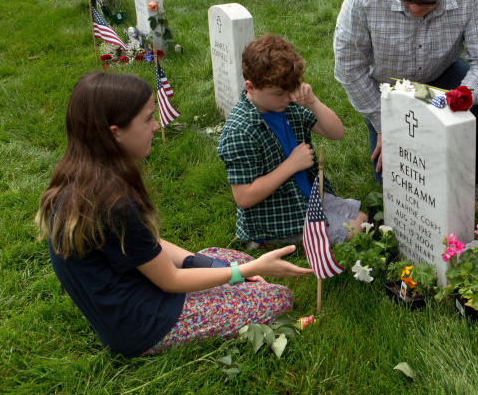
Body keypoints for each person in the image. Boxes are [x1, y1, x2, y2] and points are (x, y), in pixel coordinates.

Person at [36, 72, 311, 358]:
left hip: (136, 296)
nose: (156, 126)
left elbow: (149, 246)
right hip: (146, 324)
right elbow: (170, 280)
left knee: (225, 257)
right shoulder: (112, 202)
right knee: (277, 297)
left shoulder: (82, 177)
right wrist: (245, 272)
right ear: (115, 132)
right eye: (146, 119)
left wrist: (206, 263)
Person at [333, 0, 478, 205]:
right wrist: (384, 124)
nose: (413, 8)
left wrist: (461, 97)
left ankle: (465, 183)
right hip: (387, 89)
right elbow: (349, 69)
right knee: (392, 183)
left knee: (477, 107)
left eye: (425, 1)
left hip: (443, 74)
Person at [218, 34, 366, 247]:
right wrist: (291, 165)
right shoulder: (240, 131)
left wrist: (313, 103)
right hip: (279, 217)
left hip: (306, 198)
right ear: (250, 87)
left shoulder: (285, 105)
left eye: (290, 91)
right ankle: (264, 241)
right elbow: (244, 197)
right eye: (279, 93)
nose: (287, 98)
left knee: (361, 217)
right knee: (357, 229)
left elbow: (337, 132)